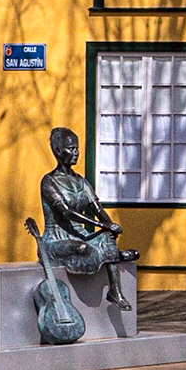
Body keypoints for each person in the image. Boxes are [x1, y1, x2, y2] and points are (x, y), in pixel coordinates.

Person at [36, 126, 140, 308]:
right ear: (58, 150)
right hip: (57, 239)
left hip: (81, 234)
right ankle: (115, 256)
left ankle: (115, 292)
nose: (76, 153)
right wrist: (101, 225)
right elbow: (66, 212)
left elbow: (98, 209)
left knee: (106, 237)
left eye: (77, 148)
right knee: (83, 247)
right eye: (72, 149)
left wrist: (109, 224)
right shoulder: (49, 181)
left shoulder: (81, 182)